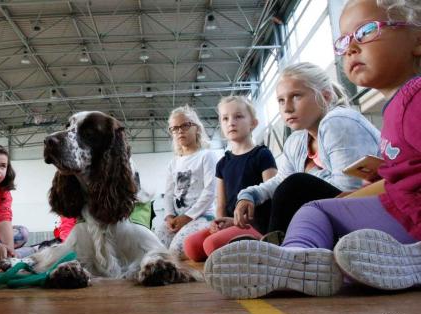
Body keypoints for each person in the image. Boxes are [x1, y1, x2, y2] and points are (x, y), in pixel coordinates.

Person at [205, 0, 421, 299]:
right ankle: (295, 258)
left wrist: (357, 195)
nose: (351, 48)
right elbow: (400, 176)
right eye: (344, 41)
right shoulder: (396, 106)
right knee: (313, 209)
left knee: (304, 195)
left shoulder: (410, 101)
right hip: (402, 210)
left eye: (367, 31)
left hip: (408, 214)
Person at [233, 62, 381, 235]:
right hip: (326, 214)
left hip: (364, 214)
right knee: (258, 204)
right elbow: (280, 182)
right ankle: (279, 242)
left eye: (296, 96)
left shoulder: (338, 122)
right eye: (281, 101)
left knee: (296, 185)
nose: (287, 108)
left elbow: (348, 190)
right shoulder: (296, 141)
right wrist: (249, 195)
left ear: (325, 97)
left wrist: (304, 182)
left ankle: (277, 251)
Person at [184, 96, 277, 262]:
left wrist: (237, 222)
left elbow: (272, 196)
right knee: (191, 246)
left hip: (255, 225)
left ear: (253, 123)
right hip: (230, 222)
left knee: (212, 246)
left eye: (238, 116)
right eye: (225, 118)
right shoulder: (222, 163)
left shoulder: (262, 155)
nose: (231, 122)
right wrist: (218, 223)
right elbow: (221, 203)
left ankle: (254, 246)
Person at [154, 105, 218, 258]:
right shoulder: (173, 163)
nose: (180, 130)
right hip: (176, 218)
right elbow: (168, 194)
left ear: (196, 128)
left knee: (177, 250)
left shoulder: (206, 156)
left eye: (185, 125)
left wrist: (188, 217)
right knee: (155, 247)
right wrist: (169, 216)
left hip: (202, 216)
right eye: (174, 128)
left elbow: (210, 191)